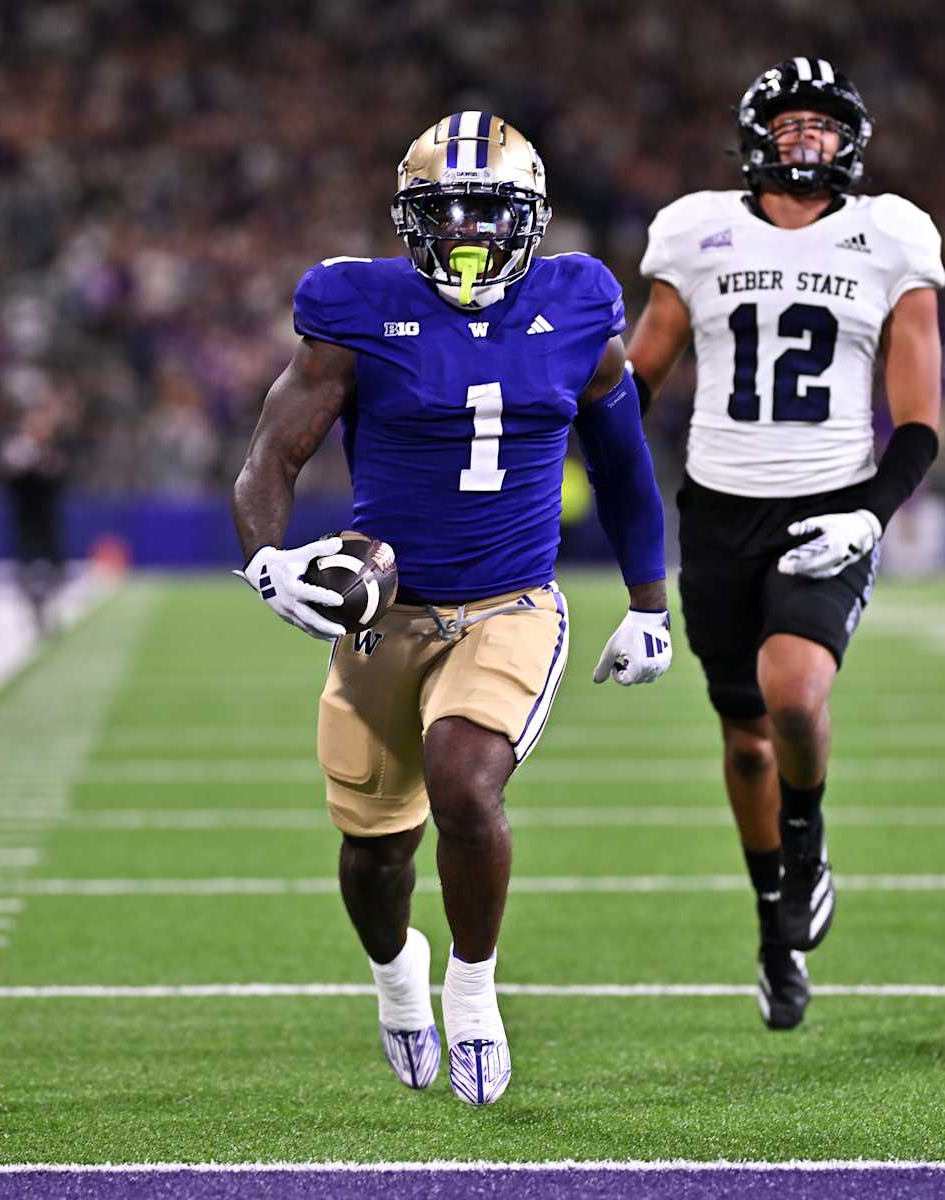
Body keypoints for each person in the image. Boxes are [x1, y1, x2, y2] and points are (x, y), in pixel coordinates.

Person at [232, 112, 672, 1106]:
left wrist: (650, 602)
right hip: (384, 615)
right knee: (375, 856)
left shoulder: (578, 304)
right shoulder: (353, 310)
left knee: (466, 783)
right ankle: (398, 979)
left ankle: (472, 987)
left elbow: (623, 460)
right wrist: (266, 562)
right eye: (448, 211)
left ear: (534, 218)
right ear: (409, 218)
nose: (469, 230)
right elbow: (271, 458)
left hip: (510, 604)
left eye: (490, 210)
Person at [625, 59, 945, 1030]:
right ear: (756, 135)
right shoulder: (696, 230)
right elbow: (641, 371)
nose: (808, 140)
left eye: (825, 124)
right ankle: (773, 928)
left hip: (830, 504)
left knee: (795, 694)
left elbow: (921, 418)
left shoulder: (893, 234)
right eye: (791, 122)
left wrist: (872, 512)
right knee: (745, 741)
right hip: (719, 513)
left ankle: (807, 846)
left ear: (853, 140)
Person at [0, 404, 68, 637]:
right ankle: (35, 609)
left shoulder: (51, 451)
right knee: (29, 567)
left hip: (46, 517)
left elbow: (59, 479)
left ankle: (46, 609)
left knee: (52, 569)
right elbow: (10, 479)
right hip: (27, 517)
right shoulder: (17, 451)